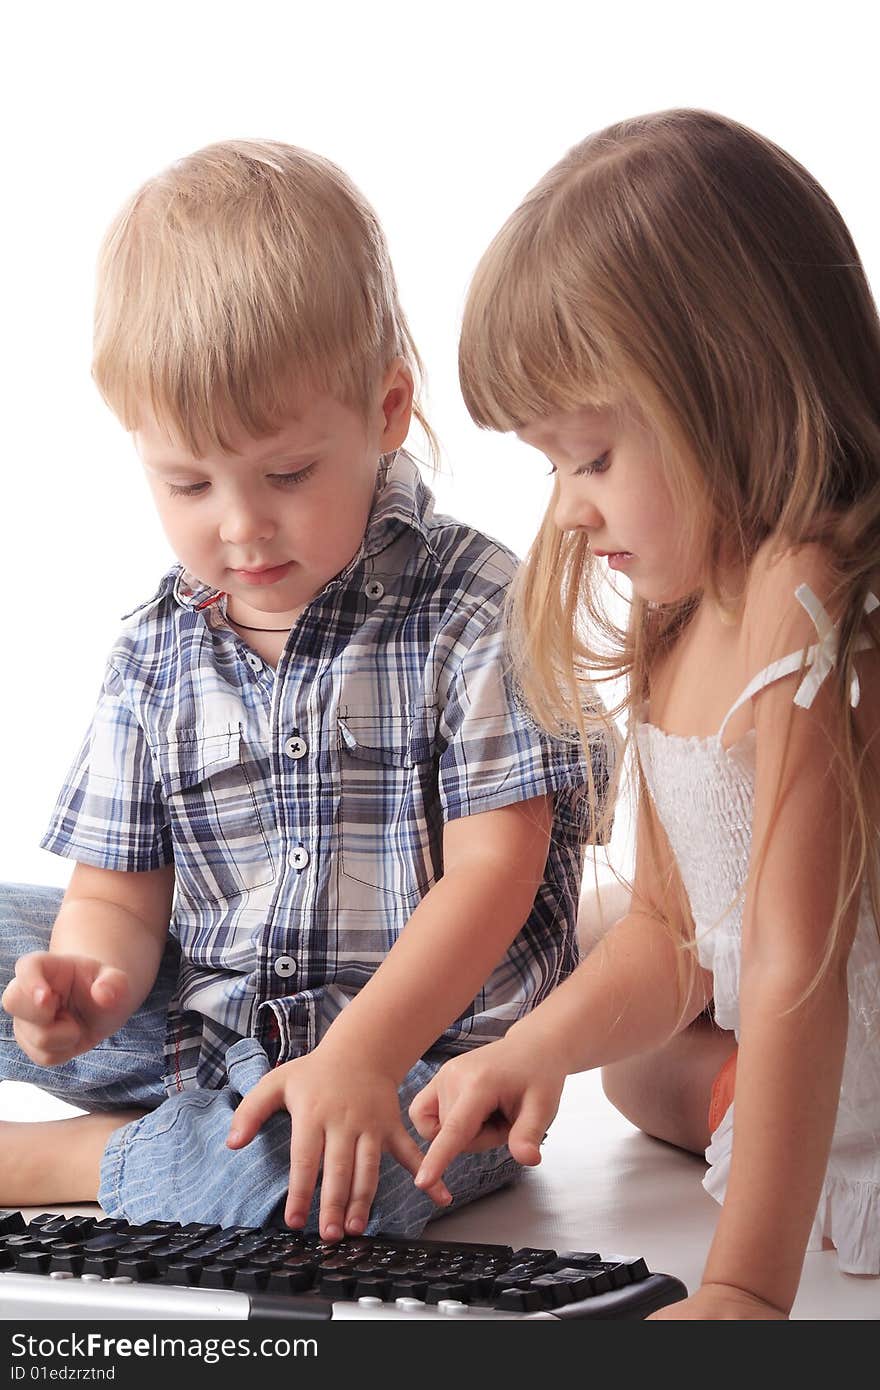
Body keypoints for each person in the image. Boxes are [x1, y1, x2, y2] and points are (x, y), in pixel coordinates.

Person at [0, 139, 611, 1242]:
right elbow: (120, 898)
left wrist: (360, 1053)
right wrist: (86, 982)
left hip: (423, 1060)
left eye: (286, 474)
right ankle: (192, 1117)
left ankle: (77, 1160)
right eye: (187, 482)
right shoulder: (158, 644)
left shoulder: (474, 610)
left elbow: (496, 878)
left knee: (296, 1196)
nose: (239, 526)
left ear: (385, 411)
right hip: (210, 1020)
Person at [409, 109, 880, 1318]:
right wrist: (524, 1050)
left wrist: (742, 1291)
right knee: (622, 1054)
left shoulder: (801, 591)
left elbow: (794, 964)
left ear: (727, 391)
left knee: (697, 1028)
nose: (567, 510)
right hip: (797, 1029)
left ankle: (810, 1153)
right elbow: (678, 927)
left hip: (831, 1005)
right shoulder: (675, 617)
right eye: (550, 465)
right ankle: (795, 1130)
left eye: (594, 457)